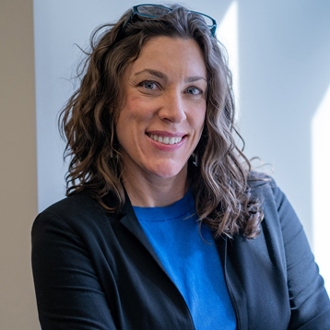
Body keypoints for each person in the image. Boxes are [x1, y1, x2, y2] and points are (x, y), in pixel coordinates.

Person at [31, 4, 330, 330]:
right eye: (150, 85)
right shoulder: (67, 233)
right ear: (110, 99)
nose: (175, 112)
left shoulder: (264, 203)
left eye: (192, 90)